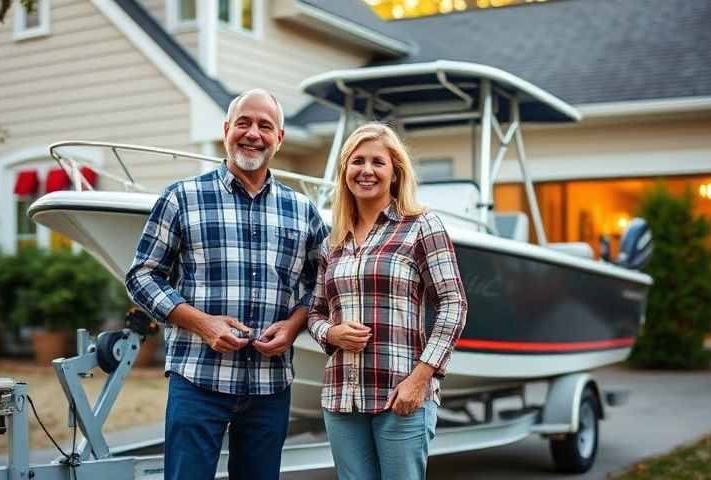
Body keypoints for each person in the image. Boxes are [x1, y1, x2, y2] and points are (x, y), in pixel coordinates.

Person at [125, 89, 328, 480]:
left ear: (279, 138)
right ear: (226, 130)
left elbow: (322, 284)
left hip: (270, 386)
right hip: (198, 379)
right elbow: (141, 276)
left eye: (265, 126)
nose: (253, 133)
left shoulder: (302, 211)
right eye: (244, 123)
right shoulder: (182, 198)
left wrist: (294, 324)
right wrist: (202, 323)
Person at [307, 123, 468, 480]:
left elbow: (454, 303)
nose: (366, 170)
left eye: (377, 162)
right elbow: (315, 312)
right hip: (342, 397)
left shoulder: (422, 225)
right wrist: (330, 334)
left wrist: (421, 379)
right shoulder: (332, 242)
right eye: (357, 161)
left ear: (395, 172)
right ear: (344, 171)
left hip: (402, 395)